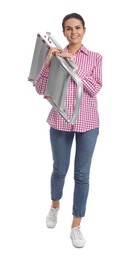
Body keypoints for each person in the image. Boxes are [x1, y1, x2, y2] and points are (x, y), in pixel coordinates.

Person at [33, 13, 103, 248]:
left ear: (84, 30)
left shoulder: (95, 58)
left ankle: (76, 225)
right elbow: (41, 90)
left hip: (88, 124)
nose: (73, 32)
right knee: (59, 170)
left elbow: (94, 88)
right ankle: (55, 206)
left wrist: (71, 62)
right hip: (60, 122)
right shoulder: (55, 56)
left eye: (77, 28)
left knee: (82, 175)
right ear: (63, 32)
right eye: (68, 29)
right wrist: (48, 63)